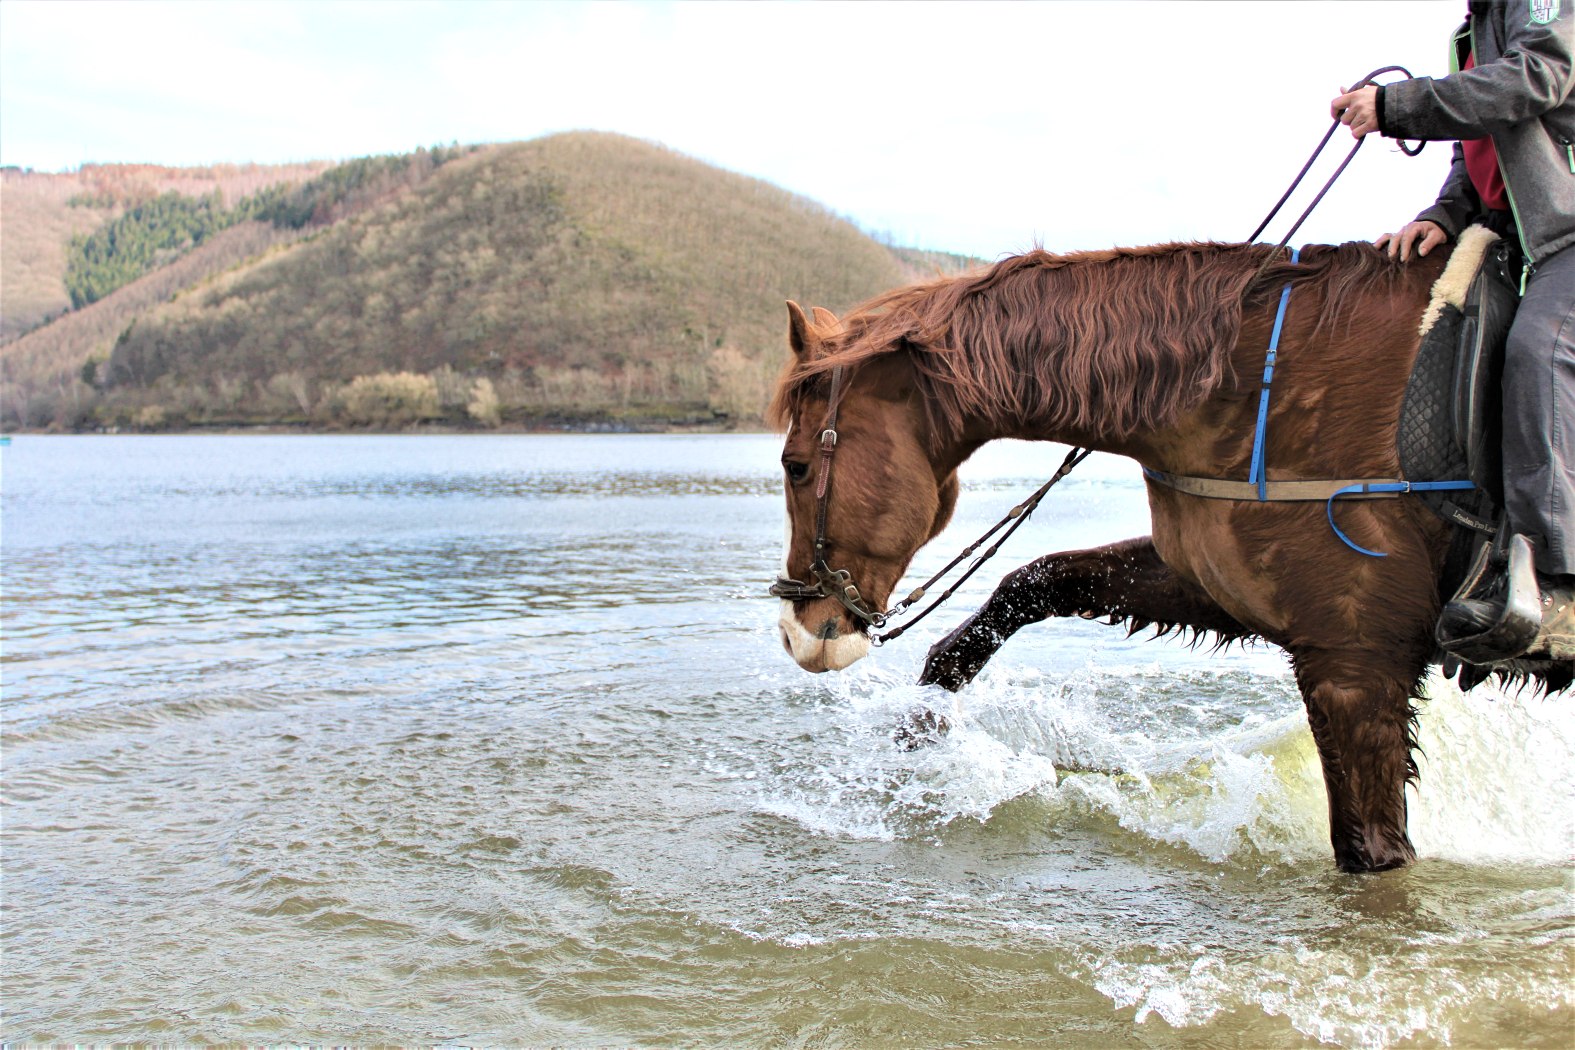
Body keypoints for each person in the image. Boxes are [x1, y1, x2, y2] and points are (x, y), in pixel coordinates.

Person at [1330, 0, 1574, 663]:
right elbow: (1484, 153)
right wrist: (1444, 212)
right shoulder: (1471, 31)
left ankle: (1558, 590)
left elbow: (1538, 78)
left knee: (1537, 351)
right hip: (1534, 245)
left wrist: (1396, 107)